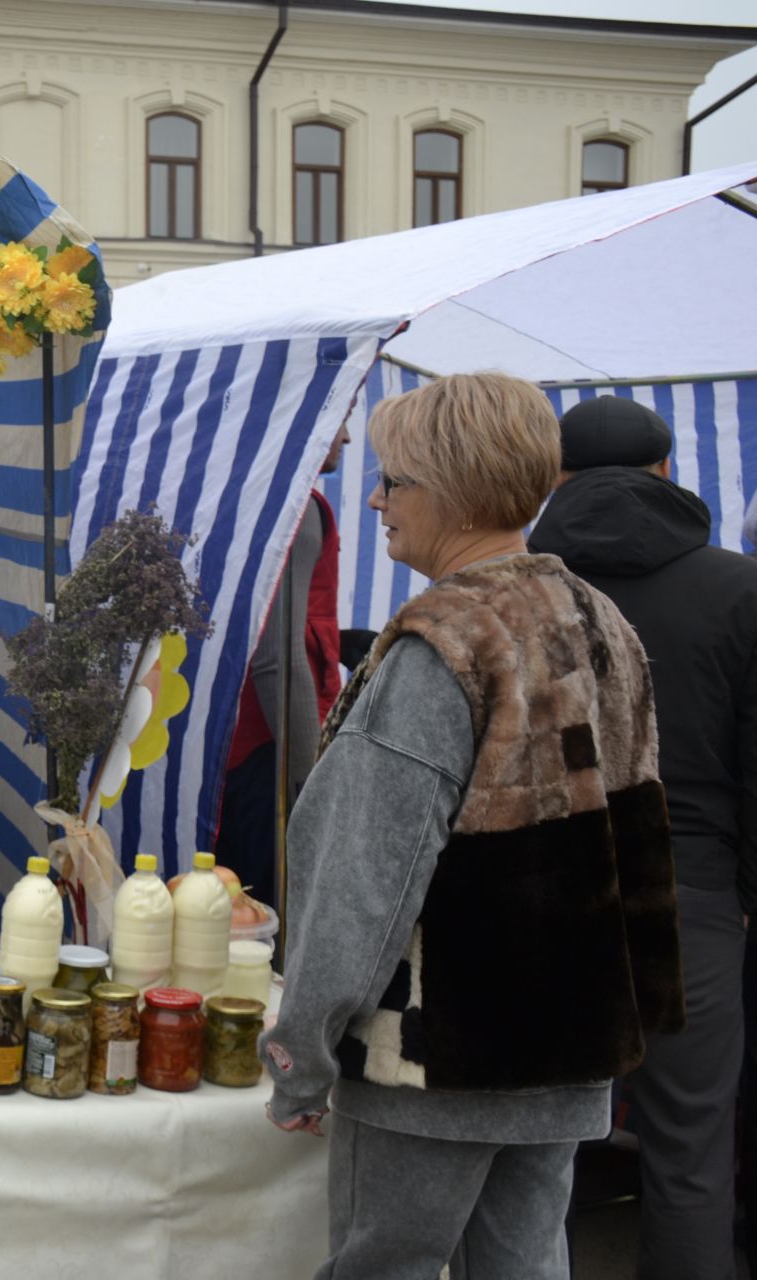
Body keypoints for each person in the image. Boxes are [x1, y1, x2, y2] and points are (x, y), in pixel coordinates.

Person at [260, 373, 683, 1278]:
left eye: (393, 479)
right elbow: (642, 837)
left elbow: (364, 875)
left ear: (450, 486)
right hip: (571, 1043)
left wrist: (302, 1050)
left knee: (385, 1267)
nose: (375, 497)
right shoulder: (600, 620)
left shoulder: (445, 643)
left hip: (441, 1054)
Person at [529, 394, 757, 1280]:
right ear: (669, 471)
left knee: (529, 1143)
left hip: (539, 889)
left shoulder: (525, 588)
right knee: (690, 1151)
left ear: (557, 479)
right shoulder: (739, 588)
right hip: (692, 894)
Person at [215, 423, 348, 898]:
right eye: (341, 417)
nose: (347, 437)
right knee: (272, 925)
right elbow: (277, 660)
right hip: (273, 750)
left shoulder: (238, 495)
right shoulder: (295, 507)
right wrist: (310, 781)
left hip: (234, 742)